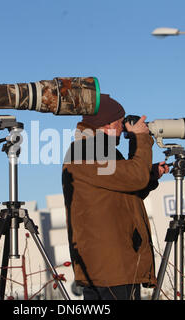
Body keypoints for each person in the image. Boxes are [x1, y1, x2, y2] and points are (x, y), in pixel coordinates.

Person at [62, 94, 169, 300]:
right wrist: (141, 138)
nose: (123, 128)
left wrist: (150, 176)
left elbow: (127, 190)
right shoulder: (88, 151)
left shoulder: (101, 151)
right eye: (120, 122)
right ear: (107, 124)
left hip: (109, 266)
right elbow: (135, 178)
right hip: (111, 269)